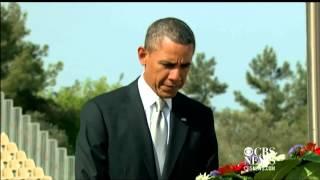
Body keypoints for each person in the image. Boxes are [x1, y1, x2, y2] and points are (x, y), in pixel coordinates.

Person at [75, 17, 219, 180]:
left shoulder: (200, 118)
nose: (176, 76)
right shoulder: (101, 114)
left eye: (184, 66)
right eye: (168, 65)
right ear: (143, 55)